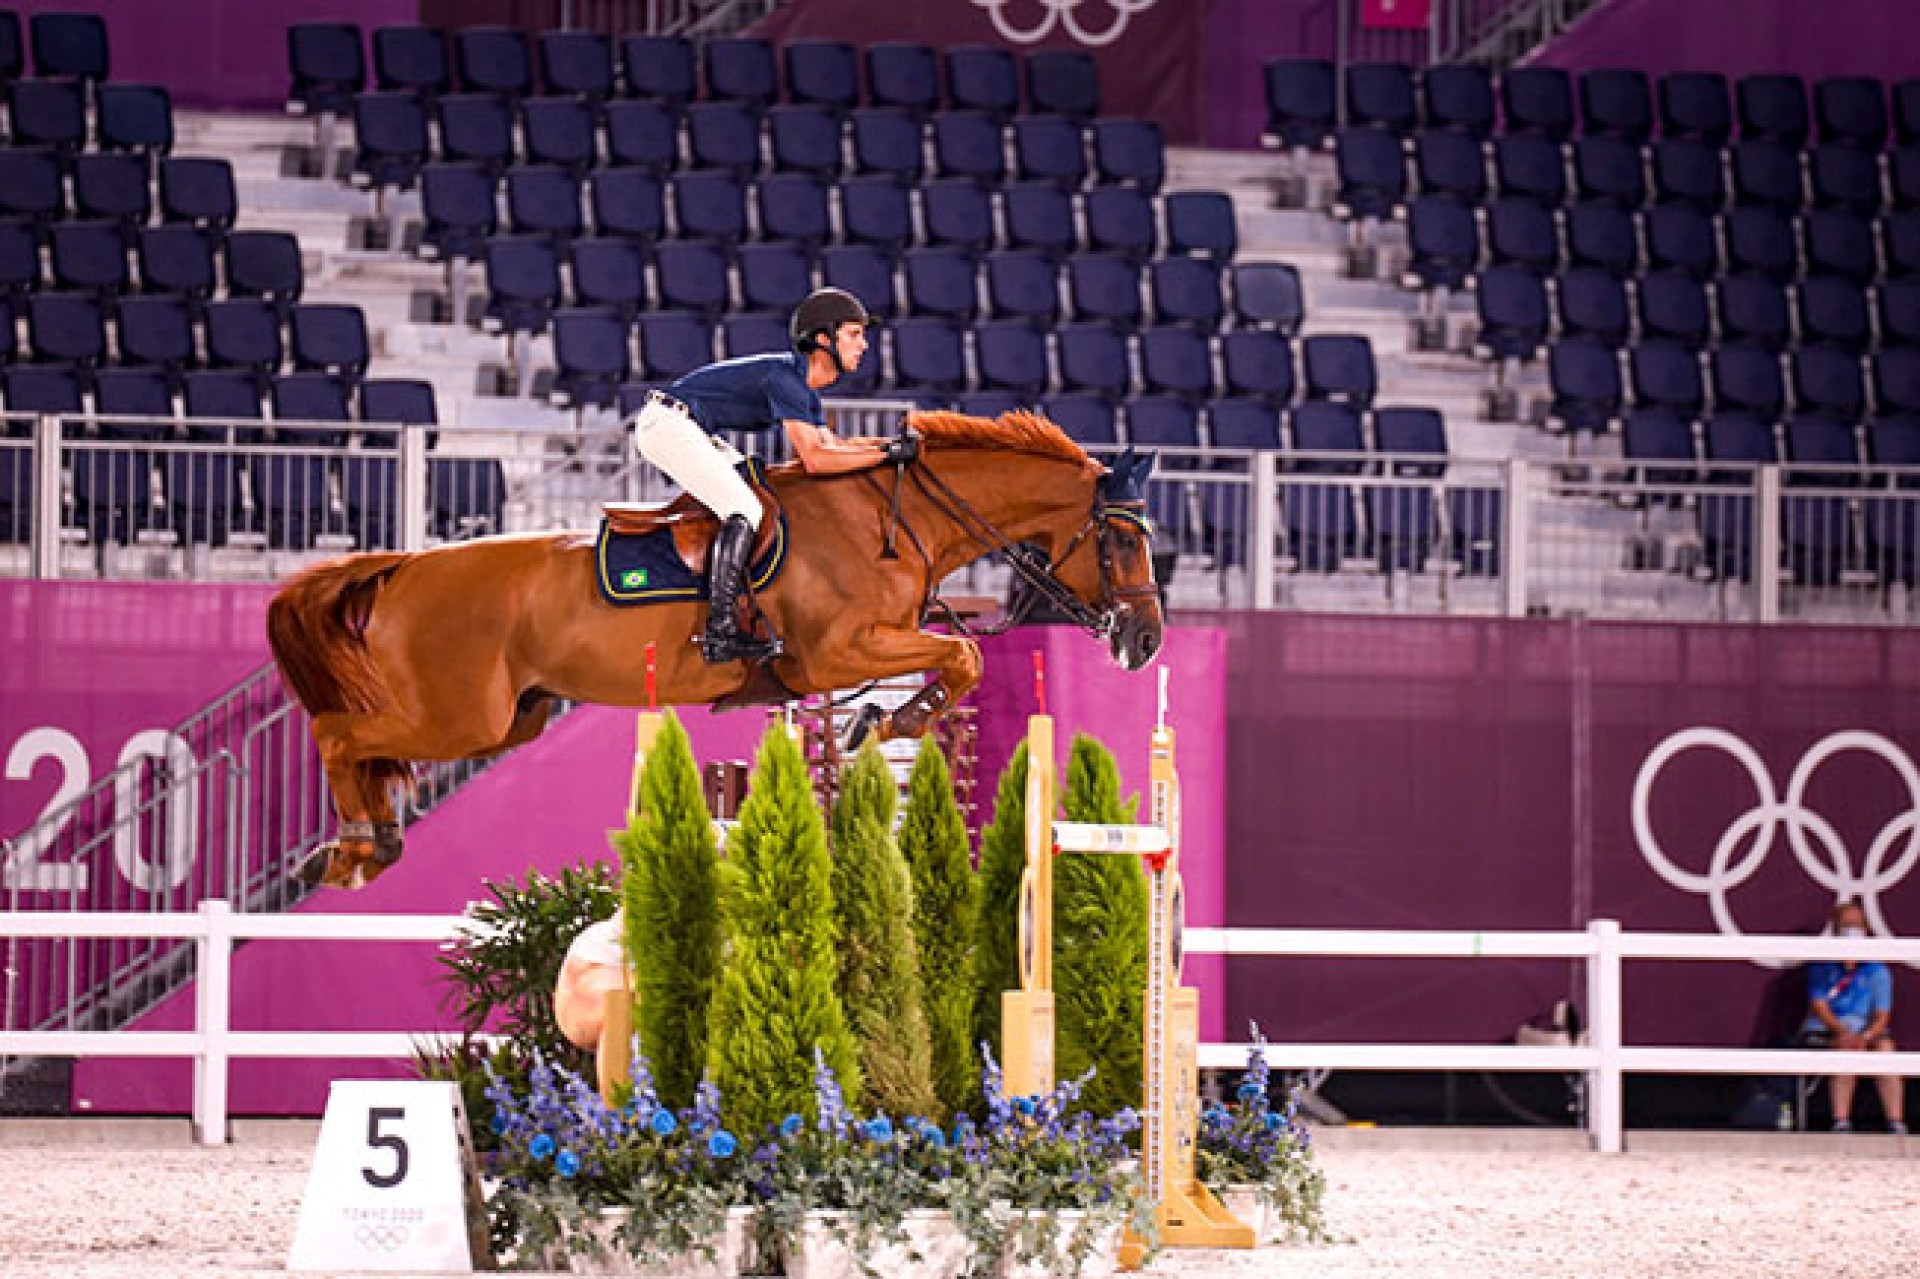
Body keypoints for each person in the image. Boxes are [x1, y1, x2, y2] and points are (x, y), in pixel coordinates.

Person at [629, 287, 918, 663]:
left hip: (689, 426)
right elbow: (815, 459)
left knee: (755, 498)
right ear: (822, 339)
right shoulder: (787, 380)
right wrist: (886, 453)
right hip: (667, 425)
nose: (864, 345)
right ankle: (719, 632)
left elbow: (835, 447)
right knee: (745, 509)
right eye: (854, 334)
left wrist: (887, 449)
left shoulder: (803, 387)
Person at [1802, 900, 1907, 1134]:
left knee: (1886, 1051)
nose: (1852, 930)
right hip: (1828, 1030)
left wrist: (1866, 1036)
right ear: (1836, 929)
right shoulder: (1821, 966)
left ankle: (1896, 1122)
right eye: (1846, 924)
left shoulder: (1877, 970)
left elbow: (1882, 1015)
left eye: (1857, 925)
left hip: (1868, 1032)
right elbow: (1819, 1006)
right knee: (1845, 1051)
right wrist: (1843, 1033)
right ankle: (1841, 1121)